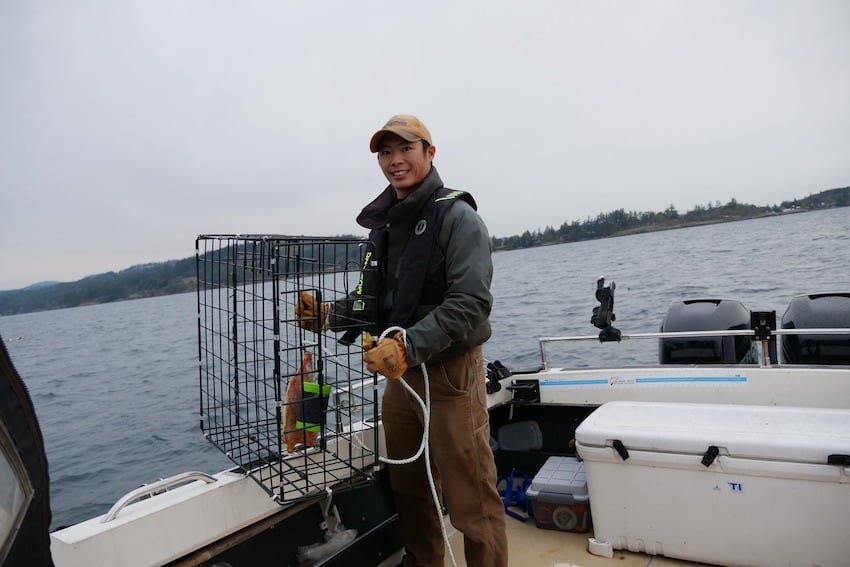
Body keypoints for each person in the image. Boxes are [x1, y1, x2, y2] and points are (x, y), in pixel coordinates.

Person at [296, 114, 508, 566]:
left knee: (471, 491)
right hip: (402, 376)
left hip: (451, 373)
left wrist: (409, 345)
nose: (395, 161)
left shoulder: (459, 218)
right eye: (385, 153)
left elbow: (471, 302)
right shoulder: (386, 228)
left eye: (406, 149)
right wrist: (328, 316)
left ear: (430, 153)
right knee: (408, 485)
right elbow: (376, 303)